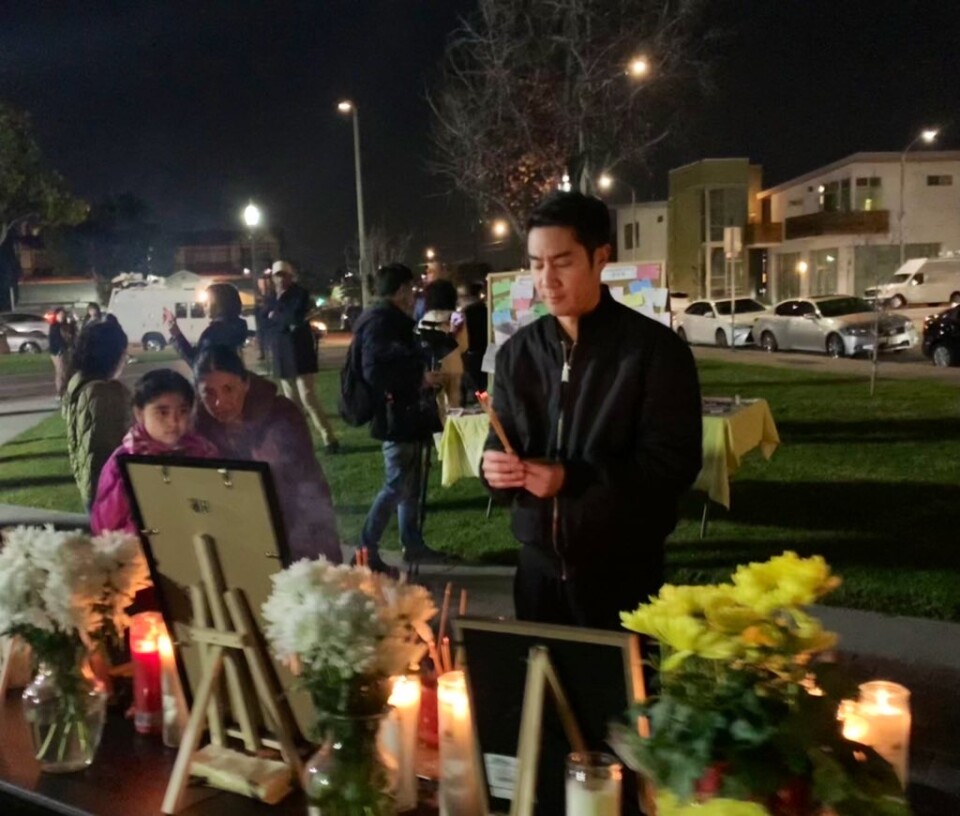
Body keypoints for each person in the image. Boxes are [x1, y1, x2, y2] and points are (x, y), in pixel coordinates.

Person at [481, 191, 703, 630]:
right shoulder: (517, 355)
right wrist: (495, 469)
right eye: (535, 263)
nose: (546, 280)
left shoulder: (654, 352)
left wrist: (571, 478)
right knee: (538, 693)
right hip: (537, 574)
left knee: (621, 695)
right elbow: (501, 437)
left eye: (562, 262)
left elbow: (672, 466)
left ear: (601, 258)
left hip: (622, 574)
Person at [192, 345, 342, 564]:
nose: (220, 403)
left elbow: (305, 480)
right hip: (237, 537)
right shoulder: (199, 429)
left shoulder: (281, 413)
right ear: (198, 392)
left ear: (245, 384)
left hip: (299, 527)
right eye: (209, 393)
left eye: (229, 389)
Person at [353, 263, 450, 573]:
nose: (414, 296)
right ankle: (364, 551)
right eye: (410, 289)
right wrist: (420, 380)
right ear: (401, 290)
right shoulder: (382, 322)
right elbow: (375, 371)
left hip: (405, 414)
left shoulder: (385, 319)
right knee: (396, 483)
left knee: (409, 484)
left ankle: (413, 543)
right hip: (397, 414)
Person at [90, 369, 219, 534]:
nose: (174, 421)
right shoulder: (125, 463)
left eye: (182, 411)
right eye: (162, 412)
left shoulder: (203, 453)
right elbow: (105, 526)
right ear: (140, 413)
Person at [267, 260, 340, 453]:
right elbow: (267, 320)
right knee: (291, 402)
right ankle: (300, 441)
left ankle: (329, 438)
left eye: (284, 274)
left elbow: (293, 318)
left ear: (291, 276)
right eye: (277, 275)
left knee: (308, 397)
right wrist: (281, 320)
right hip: (282, 351)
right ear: (273, 277)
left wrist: (276, 317)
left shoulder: (300, 294)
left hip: (300, 351)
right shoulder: (270, 297)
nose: (280, 279)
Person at [63, 318, 132, 511]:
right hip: (109, 492)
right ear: (112, 355)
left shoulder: (78, 384)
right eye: (123, 354)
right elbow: (112, 447)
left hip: (89, 485)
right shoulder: (105, 394)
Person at [164, 282, 248, 365]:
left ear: (219, 303)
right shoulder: (238, 327)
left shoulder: (214, 334)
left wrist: (176, 334)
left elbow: (198, 364)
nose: (203, 305)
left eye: (207, 301)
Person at [417, 279, 464, 419]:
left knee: (437, 406)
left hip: (434, 368)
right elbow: (464, 345)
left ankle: (440, 437)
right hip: (455, 365)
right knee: (455, 406)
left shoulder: (424, 319)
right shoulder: (457, 317)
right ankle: (455, 434)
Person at [457, 281, 489, 398]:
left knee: (475, 388)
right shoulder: (486, 310)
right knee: (485, 387)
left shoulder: (463, 314)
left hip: (470, 357)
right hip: (486, 352)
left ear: (467, 297)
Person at [48, 307, 76, 400]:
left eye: (63, 314)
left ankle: (66, 391)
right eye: (60, 314)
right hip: (57, 352)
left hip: (66, 351)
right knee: (61, 372)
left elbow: (72, 335)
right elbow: (54, 340)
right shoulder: (54, 326)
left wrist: (73, 322)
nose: (62, 316)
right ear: (56, 315)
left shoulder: (66, 325)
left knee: (67, 371)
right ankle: (60, 393)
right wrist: (59, 349)